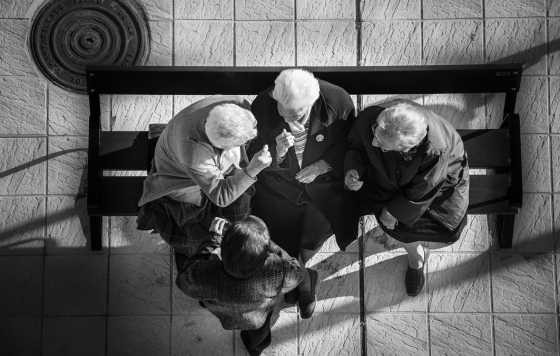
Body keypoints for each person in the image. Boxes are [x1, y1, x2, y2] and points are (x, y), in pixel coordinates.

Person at [249, 69, 360, 318]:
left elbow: (351, 144)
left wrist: (324, 165)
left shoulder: (337, 101)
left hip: (324, 188)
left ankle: (298, 276)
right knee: (279, 241)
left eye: (296, 114)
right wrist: (277, 154)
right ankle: (303, 280)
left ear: (312, 102)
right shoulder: (264, 104)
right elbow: (256, 149)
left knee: (310, 240)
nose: (288, 118)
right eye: (283, 111)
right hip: (279, 189)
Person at [344, 100, 469, 296]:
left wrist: (395, 211)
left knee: (420, 225)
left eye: (383, 146)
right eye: (375, 134)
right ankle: (414, 256)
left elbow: (425, 187)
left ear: (407, 149)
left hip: (438, 183)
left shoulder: (434, 149)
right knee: (393, 225)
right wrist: (353, 168)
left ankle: (416, 261)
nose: (375, 143)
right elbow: (356, 147)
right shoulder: (373, 119)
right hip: (394, 177)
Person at [137, 95, 272, 258]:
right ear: (220, 147)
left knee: (241, 205)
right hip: (181, 183)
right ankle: (219, 249)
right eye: (240, 143)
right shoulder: (196, 153)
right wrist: (252, 170)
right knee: (194, 234)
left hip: (200, 162)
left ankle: (233, 238)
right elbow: (221, 196)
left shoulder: (237, 104)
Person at [177, 215, 306, 356]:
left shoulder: (206, 275)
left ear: (222, 250)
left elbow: (183, 281)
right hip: (257, 318)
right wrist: (268, 244)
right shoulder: (277, 270)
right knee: (259, 334)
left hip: (224, 314)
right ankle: (255, 349)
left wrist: (211, 241)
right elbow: (298, 272)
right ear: (264, 255)